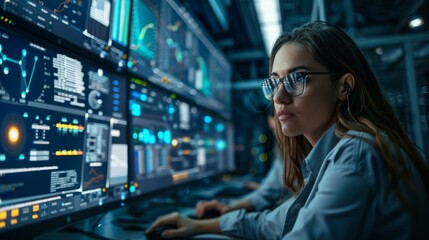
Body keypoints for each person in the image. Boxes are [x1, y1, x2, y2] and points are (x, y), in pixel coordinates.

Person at [146, 21, 429, 239]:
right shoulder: (341, 152)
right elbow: (282, 219)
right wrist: (203, 225)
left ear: (344, 86)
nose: (279, 97)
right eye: (274, 82)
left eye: (297, 79)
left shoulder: (355, 153)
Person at [194, 106, 290, 218]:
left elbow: (272, 223)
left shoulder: (300, 155)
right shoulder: (284, 154)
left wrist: (204, 226)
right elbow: (266, 193)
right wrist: (228, 207)